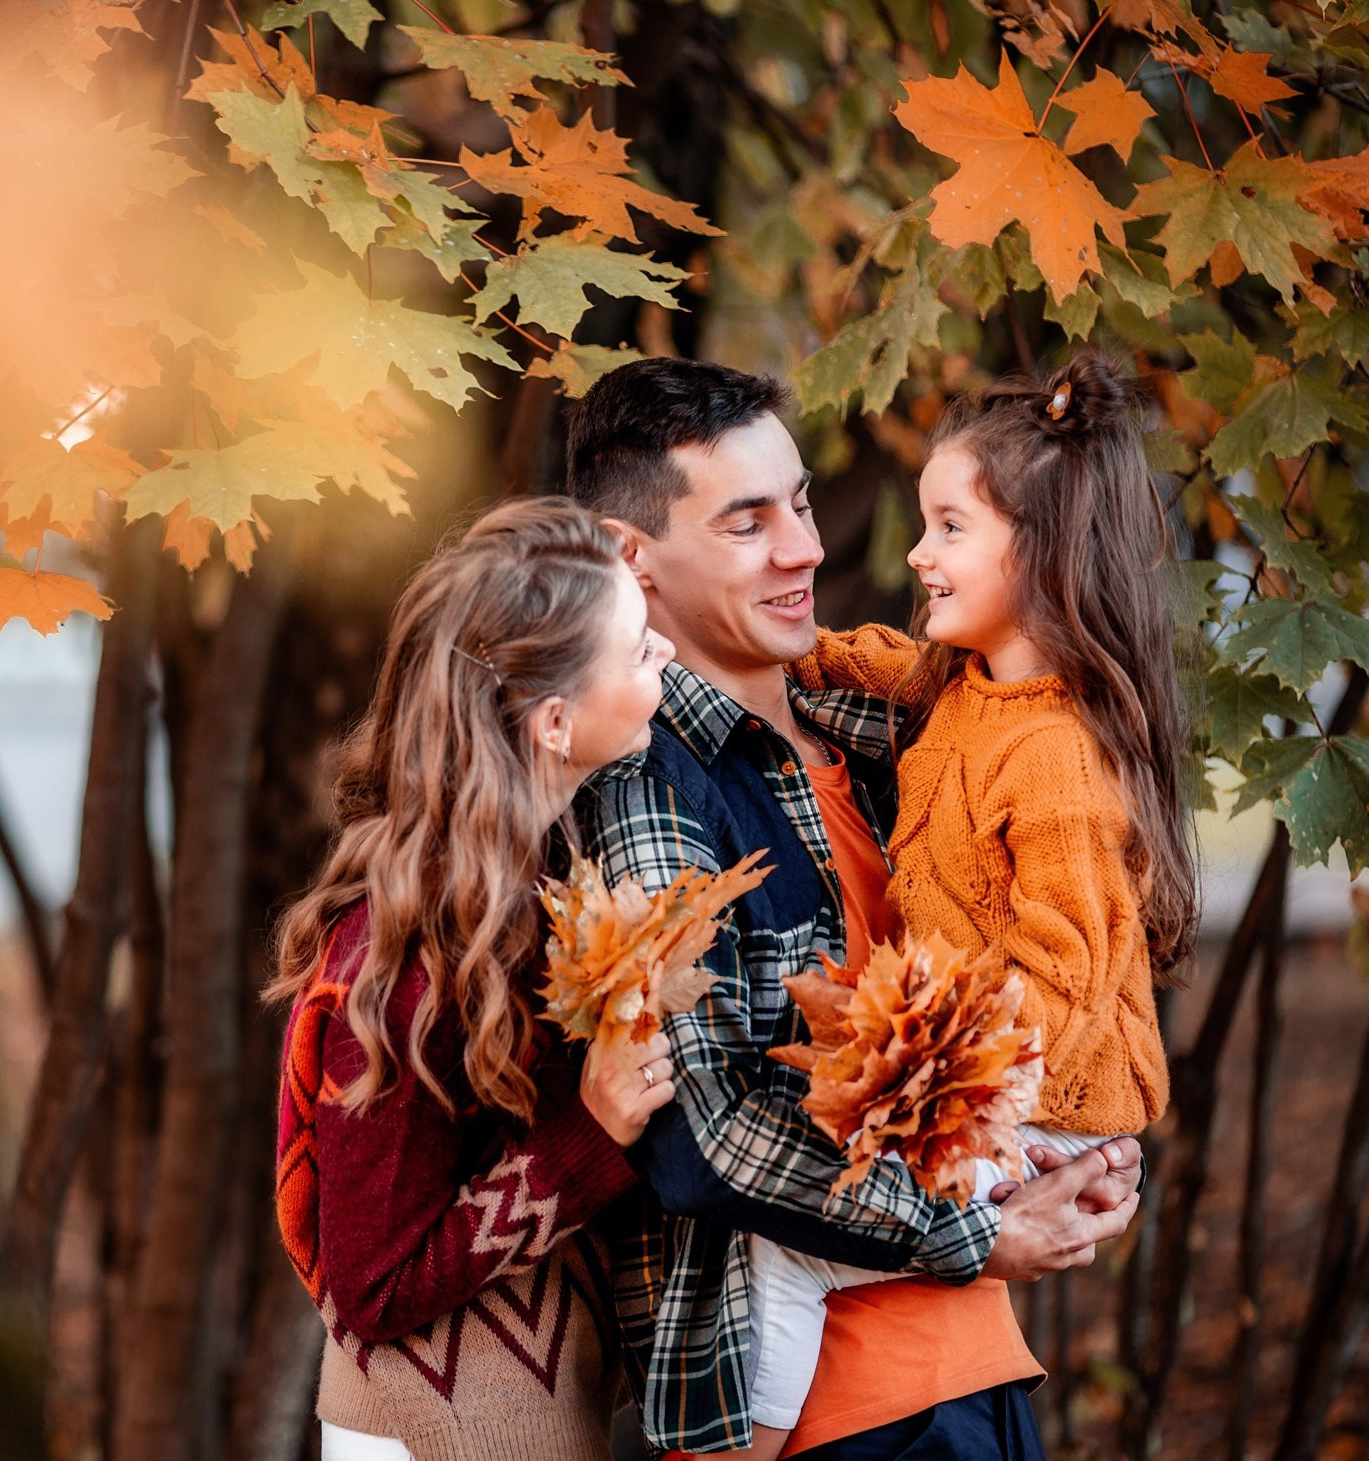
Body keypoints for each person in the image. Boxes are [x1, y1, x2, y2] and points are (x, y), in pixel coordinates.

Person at [562, 357, 1146, 1461]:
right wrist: (979, 1229)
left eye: (801, 500)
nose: (805, 548)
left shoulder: (903, 739)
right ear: (629, 558)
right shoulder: (646, 781)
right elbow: (703, 1131)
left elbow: (1073, 946)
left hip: (975, 1378)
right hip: (820, 1421)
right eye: (746, 523)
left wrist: (1089, 1144)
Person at [730, 354, 1191, 1459]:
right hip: (997, 1082)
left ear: (1039, 553)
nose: (915, 555)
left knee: (787, 1245)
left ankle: (743, 1445)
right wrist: (802, 650)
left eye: (947, 529)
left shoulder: (1057, 761)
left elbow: (1064, 973)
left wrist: (930, 1083)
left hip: (1038, 1095)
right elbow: (886, 666)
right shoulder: (970, 691)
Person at [267, 497, 680, 1461]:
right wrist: (588, 1137)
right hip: (433, 1429)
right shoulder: (404, 954)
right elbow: (371, 1287)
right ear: (552, 720)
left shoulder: (538, 883)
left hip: (526, 1402)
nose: (662, 651)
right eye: (634, 647)